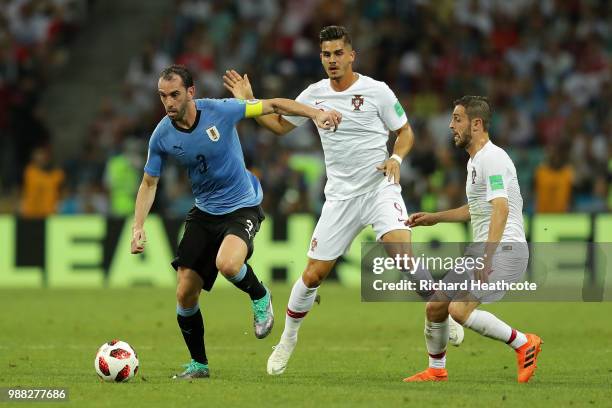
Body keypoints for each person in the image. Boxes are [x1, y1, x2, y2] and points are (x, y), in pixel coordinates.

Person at [222, 25, 463, 376]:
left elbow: (405, 132)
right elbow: (277, 126)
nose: (332, 60)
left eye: (338, 53)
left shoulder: (377, 91)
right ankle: (287, 340)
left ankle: (439, 308)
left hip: (379, 188)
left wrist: (396, 159)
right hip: (340, 198)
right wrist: (249, 98)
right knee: (313, 275)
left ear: (352, 55)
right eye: (326, 54)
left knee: (404, 258)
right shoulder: (314, 94)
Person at [130, 64, 341, 380]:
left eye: (174, 95)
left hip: (242, 205)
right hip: (204, 212)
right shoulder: (162, 135)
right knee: (185, 293)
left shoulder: (221, 111)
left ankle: (260, 295)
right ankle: (199, 365)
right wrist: (138, 226)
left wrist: (315, 113)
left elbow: (273, 106)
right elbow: (149, 183)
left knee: (228, 264)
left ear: (191, 92)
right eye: (163, 96)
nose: (169, 103)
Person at [403, 96, 542, 383]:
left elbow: (501, 207)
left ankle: (524, 343)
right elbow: (476, 209)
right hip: (484, 249)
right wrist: (435, 217)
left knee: (459, 310)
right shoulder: (476, 161)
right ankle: (437, 370)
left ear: (476, 124)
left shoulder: (493, 157)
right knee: (436, 306)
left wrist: (488, 257)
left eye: (457, 119)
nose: (451, 126)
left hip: (505, 249)